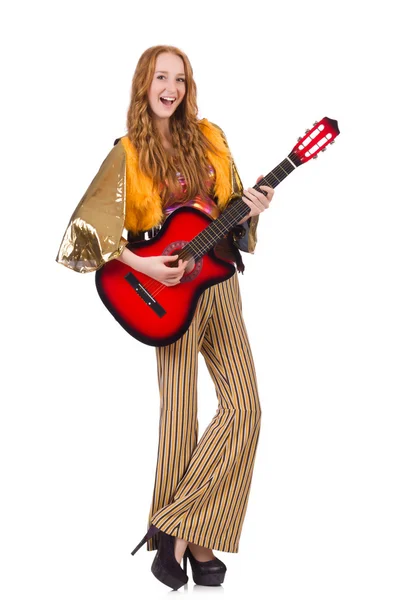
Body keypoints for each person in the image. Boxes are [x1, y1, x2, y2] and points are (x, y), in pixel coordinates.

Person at [56, 45, 274, 590]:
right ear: (143, 85)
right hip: (167, 291)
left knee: (245, 409)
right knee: (180, 420)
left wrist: (252, 207)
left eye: (180, 78)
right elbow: (87, 230)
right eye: (161, 77)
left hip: (219, 285)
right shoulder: (127, 153)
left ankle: (171, 527)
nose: (171, 88)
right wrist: (143, 261)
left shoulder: (213, 138)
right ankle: (196, 543)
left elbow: (232, 213)